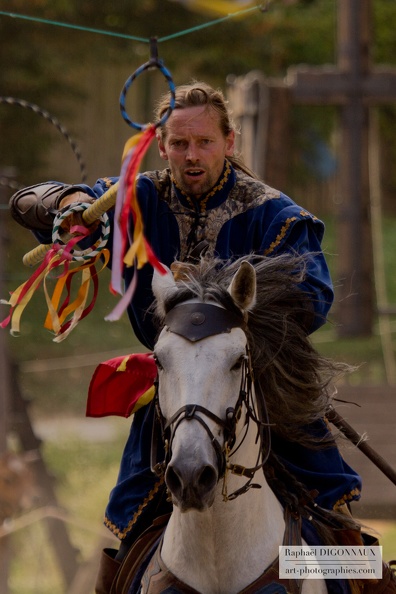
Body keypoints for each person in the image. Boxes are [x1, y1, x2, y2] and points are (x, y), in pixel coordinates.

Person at [10, 81, 362, 582]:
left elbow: (314, 297)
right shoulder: (136, 198)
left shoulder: (273, 213)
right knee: (124, 528)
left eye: (204, 142)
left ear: (230, 143)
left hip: (262, 386)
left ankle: (363, 578)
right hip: (175, 391)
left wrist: (226, 297)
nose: (191, 155)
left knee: (340, 517)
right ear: (161, 146)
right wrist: (67, 205)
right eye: (179, 143)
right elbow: (26, 203)